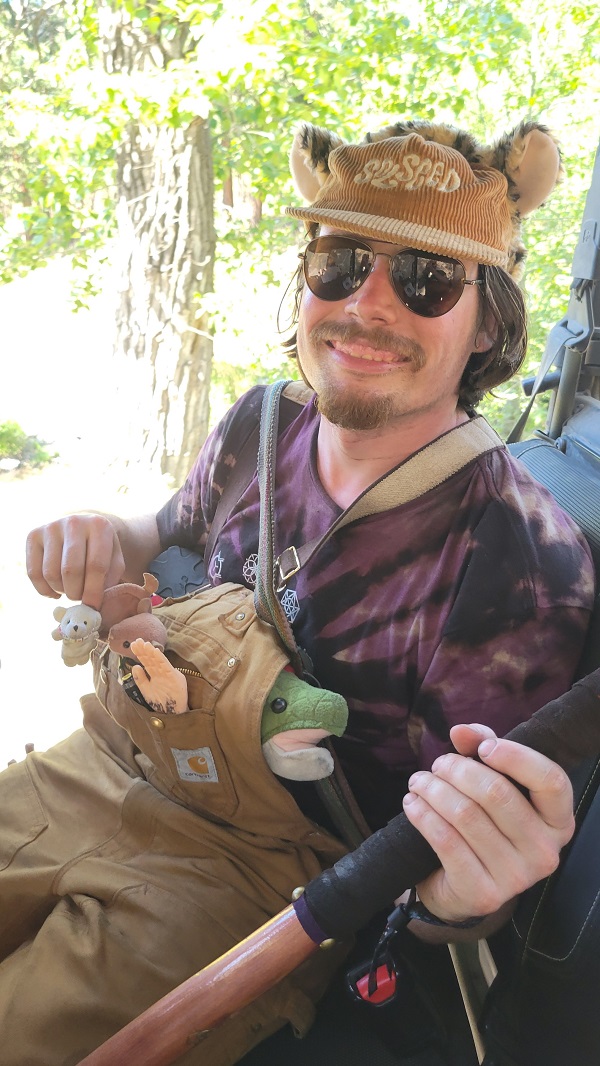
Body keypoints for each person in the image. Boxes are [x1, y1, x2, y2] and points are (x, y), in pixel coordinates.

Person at [9, 116, 594, 1065]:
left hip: (242, 881)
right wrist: (96, 536)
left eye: (427, 278)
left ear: (488, 317)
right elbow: (161, 534)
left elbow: (435, 869)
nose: (367, 304)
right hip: (93, 771)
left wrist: (460, 902)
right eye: (340, 261)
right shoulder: (259, 421)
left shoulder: (517, 559)